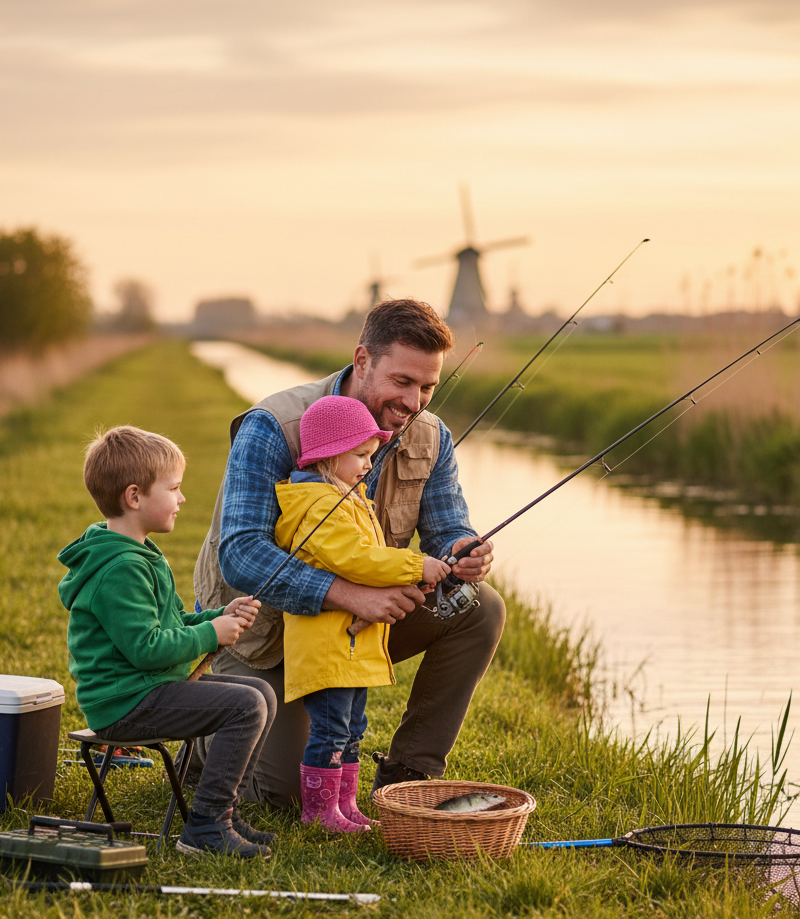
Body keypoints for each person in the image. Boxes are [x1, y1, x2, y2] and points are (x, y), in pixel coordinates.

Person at [194, 298, 506, 807]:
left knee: (480, 605)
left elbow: (447, 527)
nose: (415, 401)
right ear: (362, 361)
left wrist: (463, 552)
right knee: (284, 797)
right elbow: (242, 554)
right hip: (264, 634)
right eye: (402, 382)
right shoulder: (274, 424)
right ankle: (209, 737)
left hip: (355, 625)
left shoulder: (432, 436)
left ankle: (408, 775)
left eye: (428, 387)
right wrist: (349, 595)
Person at [57, 425, 278, 859]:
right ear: (135, 497)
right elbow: (147, 647)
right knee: (245, 705)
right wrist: (210, 635)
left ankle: (225, 813)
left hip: (148, 689)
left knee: (260, 692)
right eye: (174, 489)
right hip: (125, 704)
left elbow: (172, 620)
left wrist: (218, 617)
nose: (181, 499)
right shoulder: (119, 567)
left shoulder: (142, 553)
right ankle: (206, 827)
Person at [274, 395, 451, 831]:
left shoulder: (347, 497)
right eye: (361, 455)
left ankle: (344, 805)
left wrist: (403, 580)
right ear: (330, 456)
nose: (369, 465)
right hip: (329, 649)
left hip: (349, 649)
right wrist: (415, 564)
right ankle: (319, 813)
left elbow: (368, 559)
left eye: (371, 455)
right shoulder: (317, 505)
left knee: (352, 728)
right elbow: (356, 558)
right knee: (332, 730)